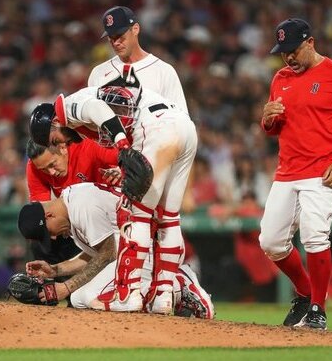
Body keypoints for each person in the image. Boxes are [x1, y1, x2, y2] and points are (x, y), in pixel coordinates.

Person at [28, 72, 197, 314]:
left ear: (53, 123)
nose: (60, 144)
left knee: (132, 214)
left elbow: (98, 108)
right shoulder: (83, 131)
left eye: (54, 139)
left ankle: (129, 294)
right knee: (168, 217)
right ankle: (164, 295)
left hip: (155, 127)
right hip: (183, 127)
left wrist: (123, 147)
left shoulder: (64, 110)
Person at [259, 18, 332, 330]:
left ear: (310, 42)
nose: (288, 57)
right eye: (283, 52)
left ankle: (317, 310)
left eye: (293, 50)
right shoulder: (280, 78)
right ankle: (305, 290)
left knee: (313, 234)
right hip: (287, 170)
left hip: (323, 173)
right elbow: (276, 128)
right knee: (271, 241)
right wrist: (268, 121)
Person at [16, 182, 214, 318]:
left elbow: (107, 253)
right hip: (137, 252)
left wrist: (65, 287)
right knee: (78, 299)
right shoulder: (71, 203)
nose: (51, 237)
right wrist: (56, 270)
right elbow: (97, 253)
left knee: (87, 298)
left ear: (49, 215)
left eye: (47, 232)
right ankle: (164, 294)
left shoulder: (81, 205)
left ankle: (179, 283)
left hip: (152, 251)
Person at [26, 138, 120, 265]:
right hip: (75, 221)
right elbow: (42, 210)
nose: (51, 173)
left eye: (53, 164)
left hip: (109, 213)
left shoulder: (86, 146)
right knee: (40, 240)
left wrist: (122, 171)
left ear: (63, 148)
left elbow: (127, 159)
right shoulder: (34, 167)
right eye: (44, 169)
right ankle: (55, 279)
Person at [88, 6, 188, 113]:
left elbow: (181, 119)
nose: (115, 42)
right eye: (111, 37)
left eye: (120, 36)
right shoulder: (98, 73)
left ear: (135, 29)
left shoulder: (163, 71)